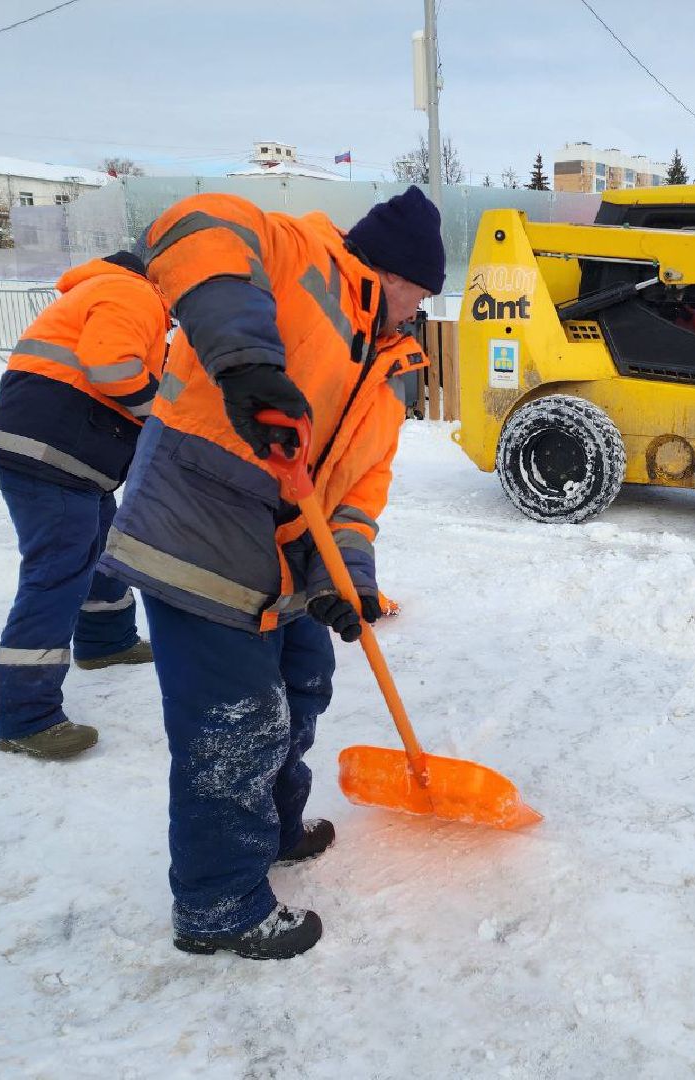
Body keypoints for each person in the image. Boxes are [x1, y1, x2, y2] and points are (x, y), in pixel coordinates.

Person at [96, 186, 442, 960]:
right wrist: (247, 361)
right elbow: (194, 225)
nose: (418, 313)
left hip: (280, 560)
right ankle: (218, 903)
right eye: (420, 295)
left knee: (302, 689)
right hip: (198, 532)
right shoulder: (300, 256)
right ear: (394, 274)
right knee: (235, 725)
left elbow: (355, 498)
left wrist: (345, 580)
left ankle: (275, 827)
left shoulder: (386, 376)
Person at [0, 251, 169, 760]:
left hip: (67, 454)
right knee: (56, 572)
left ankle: (106, 640)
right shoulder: (133, 292)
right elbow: (112, 367)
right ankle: (25, 716)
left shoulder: (115, 291)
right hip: (53, 453)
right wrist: (165, 416)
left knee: (102, 546)